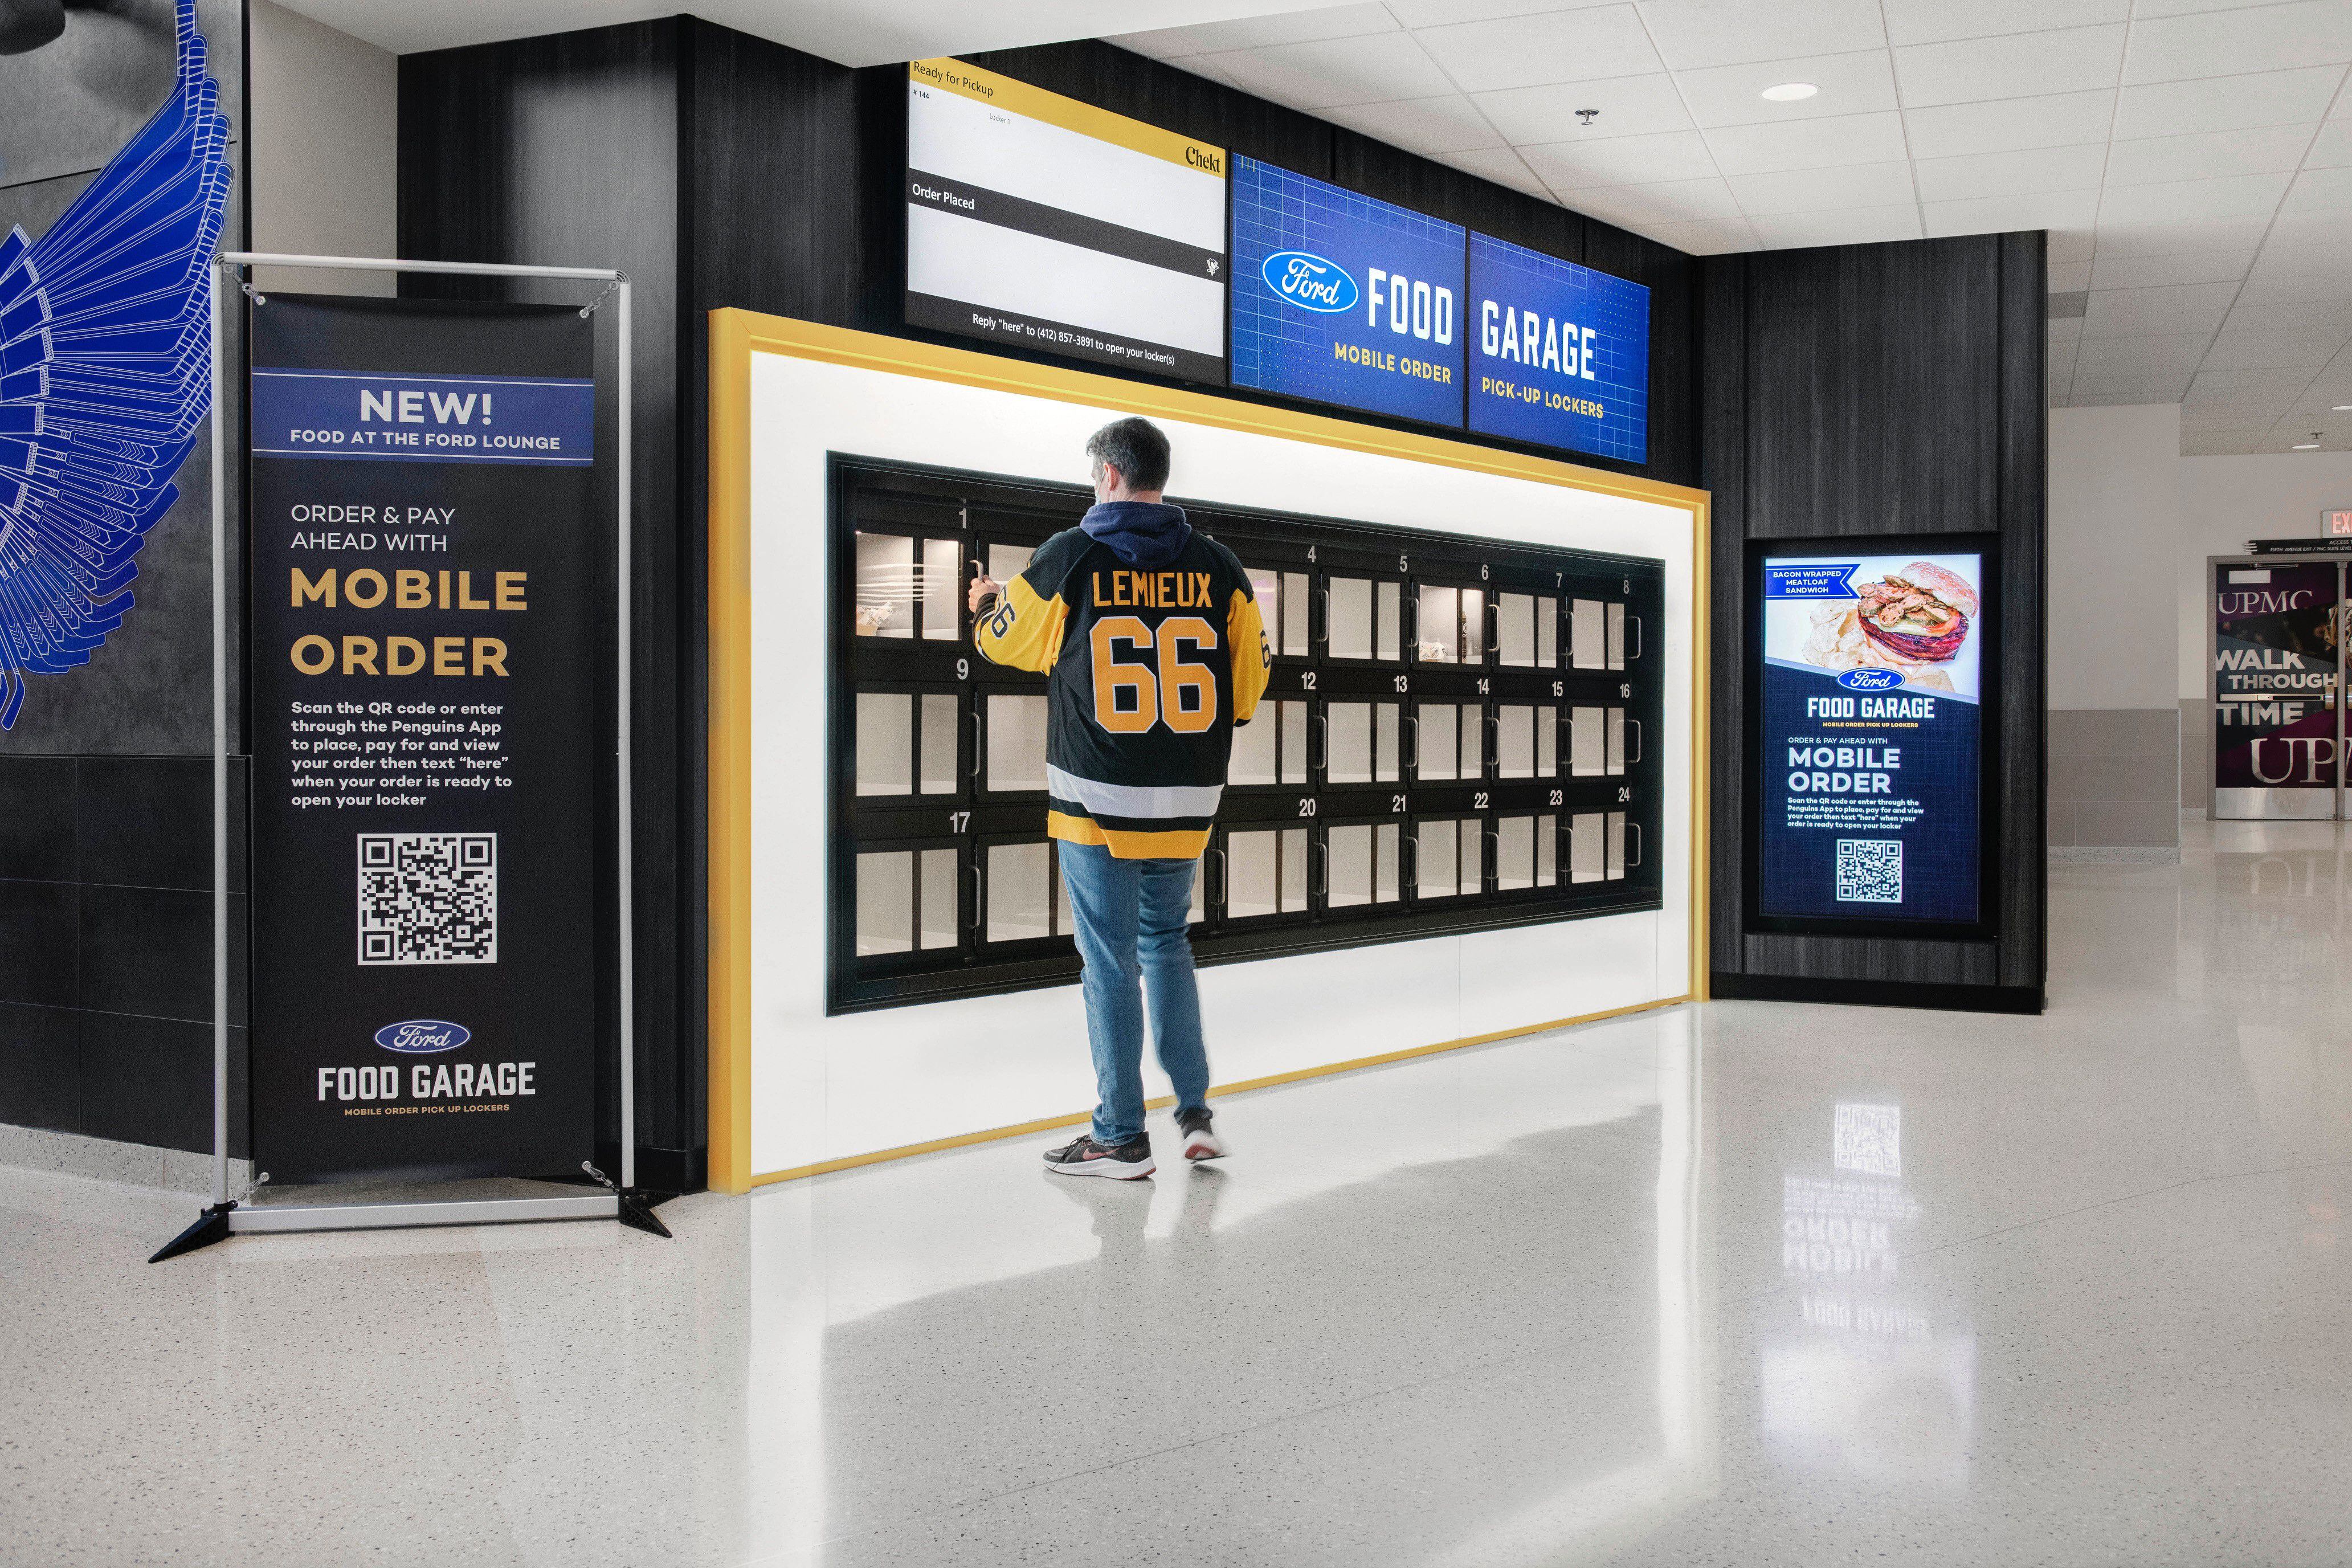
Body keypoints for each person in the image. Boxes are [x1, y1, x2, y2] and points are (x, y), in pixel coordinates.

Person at [970, 417, 1270, 1179]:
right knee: (1166, 942)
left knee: (1107, 962)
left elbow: (1006, 641)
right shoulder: (1222, 568)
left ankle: (1119, 1134)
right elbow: (1248, 690)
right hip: (1186, 800)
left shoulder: (1070, 556)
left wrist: (984, 605)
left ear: (1107, 475)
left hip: (1097, 799)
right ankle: (1195, 1116)